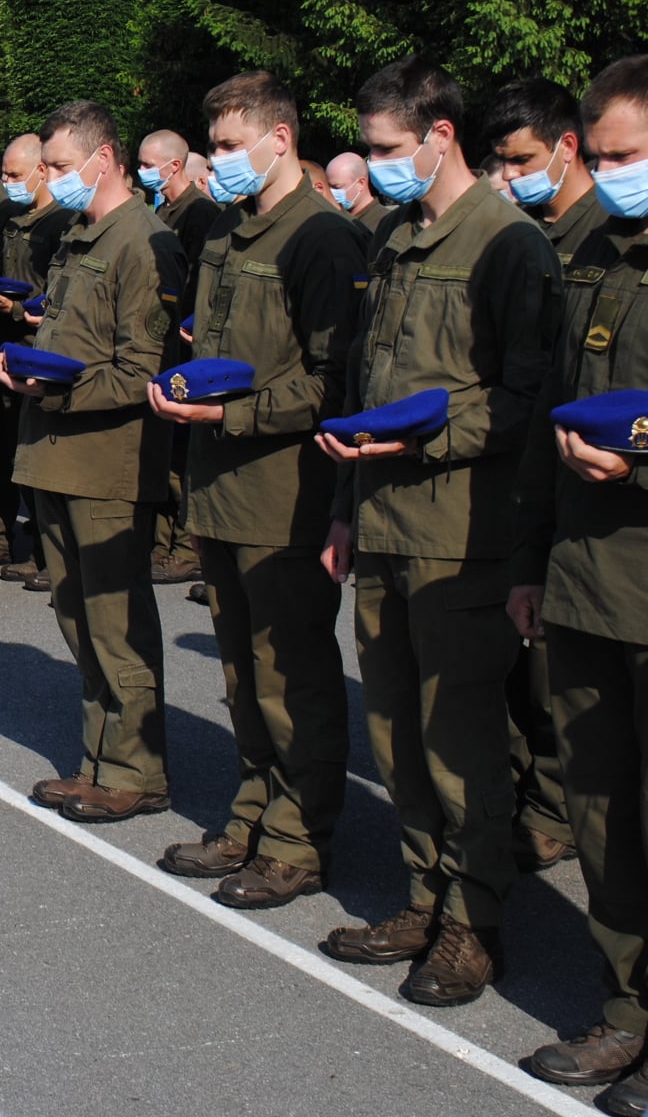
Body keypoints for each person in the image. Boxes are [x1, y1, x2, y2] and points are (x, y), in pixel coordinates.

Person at [317, 55, 560, 1007]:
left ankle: (475, 922)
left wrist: (431, 431)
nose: (375, 166)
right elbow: (365, 382)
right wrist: (343, 507)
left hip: (461, 530)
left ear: (440, 136)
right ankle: (424, 895)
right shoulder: (388, 235)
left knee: (459, 737)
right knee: (394, 731)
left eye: (386, 149)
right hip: (380, 520)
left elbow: (528, 399)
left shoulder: (508, 245)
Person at [150, 71, 365, 908]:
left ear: (282, 140)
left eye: (234, 146)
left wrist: (227, 415)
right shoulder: (234, 231)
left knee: (290, 672)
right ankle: (253, 815)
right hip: (223, 488)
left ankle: (298, 838)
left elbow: (328, 382)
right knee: (242, 672)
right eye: (215, 146)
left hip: (284, 492)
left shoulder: (321, 238)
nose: (221, 160)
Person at [509, 54, 648, 1113]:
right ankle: (626, 1013)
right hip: (586, 576)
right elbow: (551, 414)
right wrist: (529, 566)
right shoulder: (587, 248)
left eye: (628, 157)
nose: (606, 176)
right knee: (601, 811)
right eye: (597, 157)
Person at [3, 100, 181, 823]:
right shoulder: (81, 234)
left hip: (106, 461)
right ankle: (99, 759)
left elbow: (144, 367)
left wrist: (56, 388)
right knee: (78, 616)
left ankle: (137, 769)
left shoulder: (144, 241)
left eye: (59, 165)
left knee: (115, 620)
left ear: (103, 158)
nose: (49, 178)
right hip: (56, 454)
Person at [487, 76, 603, 874]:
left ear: (567, 145)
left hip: (588, 496)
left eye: (521, 161)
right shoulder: (525, 236)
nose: (509, 178)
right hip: (521, 480)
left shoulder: (602, 237)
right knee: (516, 663)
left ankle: (552, 807)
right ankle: (528, 791)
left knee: (555, 676)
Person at [0, 133, 74, 592]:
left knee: (43, 461)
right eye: (4, 174)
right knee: (13, 454)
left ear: (42, 170)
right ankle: (29, 548)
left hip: (40, 347)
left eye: (15, 175)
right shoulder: (16, 217)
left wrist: (21, 309)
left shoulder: (62, 221)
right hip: (11, 346)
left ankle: (50, 557)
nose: (7, 183)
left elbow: (57, 293)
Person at [137, 129, 216, 586]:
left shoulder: (200, 214)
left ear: (173, 165)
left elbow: (199, 283)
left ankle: (185, 548)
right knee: (166, 453)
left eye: (150, 164)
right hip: (164, 343)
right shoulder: (162, 210)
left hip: (186, 344)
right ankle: (162, 543)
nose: (145, 171)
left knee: (183, 457)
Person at [325, 152, 392, 236]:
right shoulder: (332, 218)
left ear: (360, 183)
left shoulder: (385, 223)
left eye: (337, 187)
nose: (331, 192)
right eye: (328, 187)